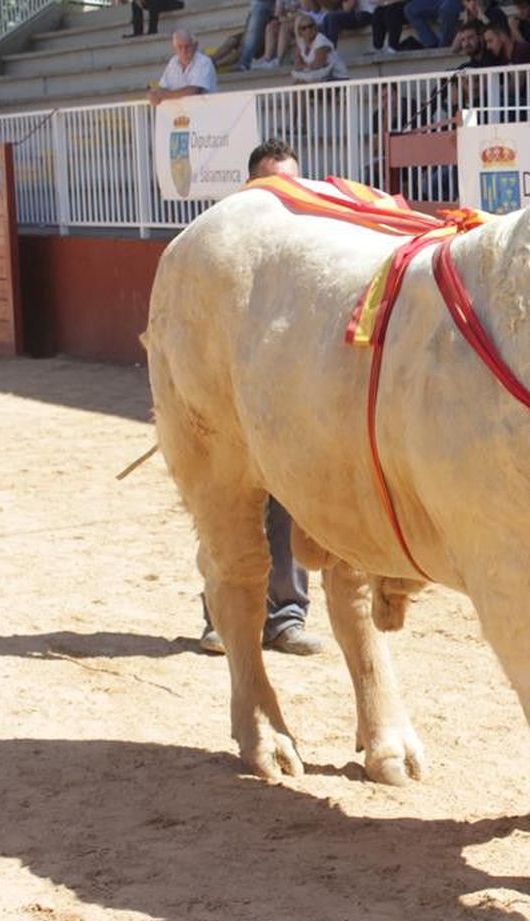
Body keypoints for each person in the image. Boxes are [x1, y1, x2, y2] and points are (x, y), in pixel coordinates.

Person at [196, 140, 327, 658]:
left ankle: (286, 617)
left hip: (288, 404)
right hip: (230, 405)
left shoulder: (315, 244)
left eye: (291, 183)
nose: (283, 195)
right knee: (227, 509)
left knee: (291, 507)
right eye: (271, 184)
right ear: (249, 188)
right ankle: (220, 617)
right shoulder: (220, 247)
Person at [148, 28, 219, 105]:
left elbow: (193, 91)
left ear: (195, 46)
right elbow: (163, 86)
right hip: (182, 112)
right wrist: (153, 94)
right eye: (179, 47)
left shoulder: (204, 61)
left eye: (187, 46)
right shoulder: (173, 62)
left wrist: (163, 94)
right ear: (174, 48)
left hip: (205, 110)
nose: (184, 51)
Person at [291, 14, 350, 80]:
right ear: (299, 31)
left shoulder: (320, 40)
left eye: (310, 26)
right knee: (298, 84)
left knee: (304, 84)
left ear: (315, 27)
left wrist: (304, 66)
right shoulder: (301, 43)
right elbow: (297, 66)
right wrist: (308, 66)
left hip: (338, 77)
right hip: (319, 77)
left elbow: (318, 65)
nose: (308, 30)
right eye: (304, 28)